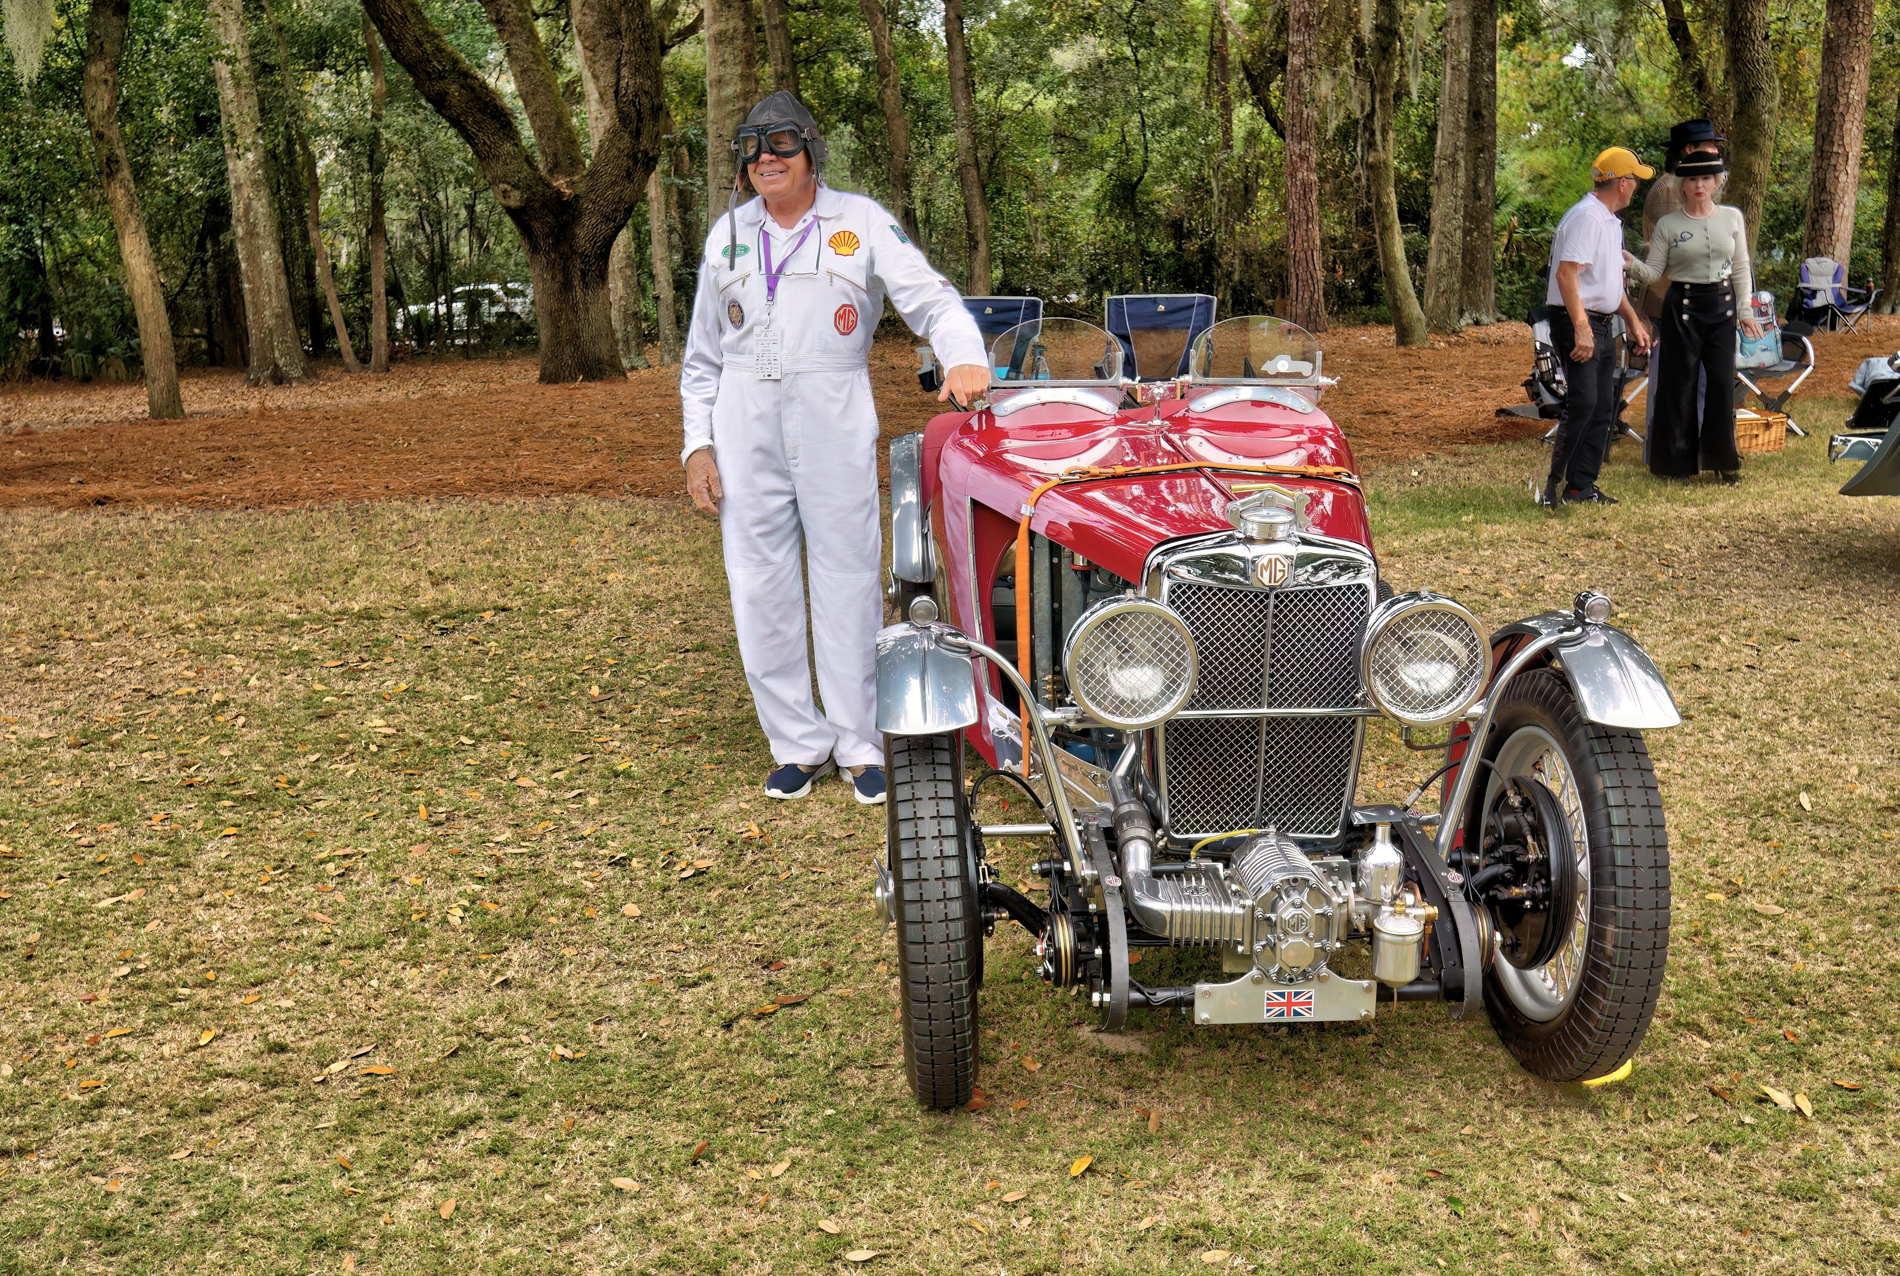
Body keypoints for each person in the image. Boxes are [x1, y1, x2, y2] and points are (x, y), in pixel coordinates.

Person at [679, 91, 990, 804]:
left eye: (782, 142)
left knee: (848, 575)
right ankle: (796, 742)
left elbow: (935, 300)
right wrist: (698, 445)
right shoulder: (726, 235)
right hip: (743, 418)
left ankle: (857, 742)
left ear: (811, 150)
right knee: (759, 584)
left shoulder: (861, 221)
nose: (767, 158)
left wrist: (962, 355)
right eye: (753, 147)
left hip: (833, 412)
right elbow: (701, 359)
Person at [1625, 152, 1763, 484]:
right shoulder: (1668, 224)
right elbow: (1655, 271)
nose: (1699, 185)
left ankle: (1723, 461)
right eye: (1691, 179)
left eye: (1706, 178)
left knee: (1720, 385)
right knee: (1678, 386)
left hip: (1722, 306)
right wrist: (1630, 263)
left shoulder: (1732, 218)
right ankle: (1676, 465)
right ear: (1680, 185)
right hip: (1682, 307)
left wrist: (1745, 311)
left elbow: (1741, 268)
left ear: (1717, 181)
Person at [1540, 147, 1654, 510]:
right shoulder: (1587, 217)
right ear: (1622, 184)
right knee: (1585, 401)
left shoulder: (1608, 221)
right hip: (1581, 321)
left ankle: (1581, 487)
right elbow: (1566, 273)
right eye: (1635, 179)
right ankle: (1552, 488)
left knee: (1603, 405)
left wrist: (1633, 321)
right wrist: (1582, 329)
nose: (1636, 186)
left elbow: (1609, 284)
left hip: (1602, 322)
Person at [1640, 120, 1725, 444]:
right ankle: (1665, 446)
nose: (1716, 150)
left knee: (1690, 378)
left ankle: (1691, 444)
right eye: (1709, 145)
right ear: (1689, 150)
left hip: (1693, 300)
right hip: (1670, 300)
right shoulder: (1667, 191)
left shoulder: (1688, 185)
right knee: (1671, 379)